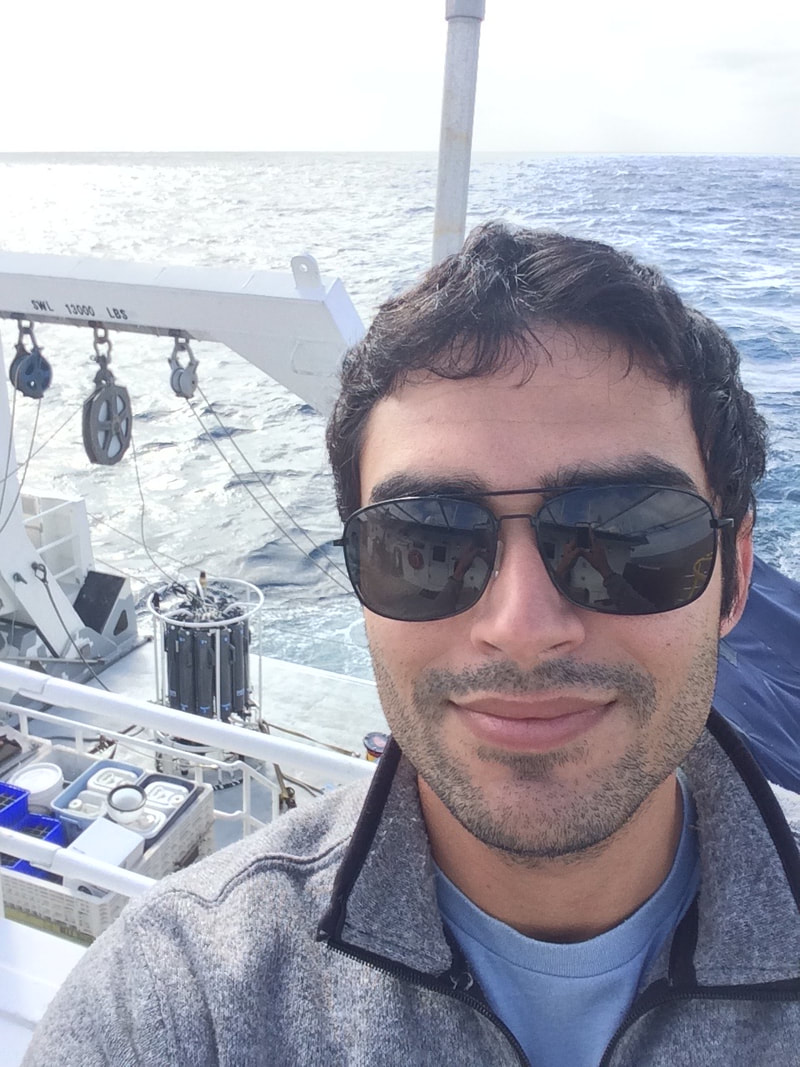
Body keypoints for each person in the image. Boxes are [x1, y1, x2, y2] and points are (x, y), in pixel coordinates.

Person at [24, 224, 800, 1066]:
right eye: (427, 541)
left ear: (735, 573)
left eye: (626, 534)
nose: (521, 626)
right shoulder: (177, 1005)